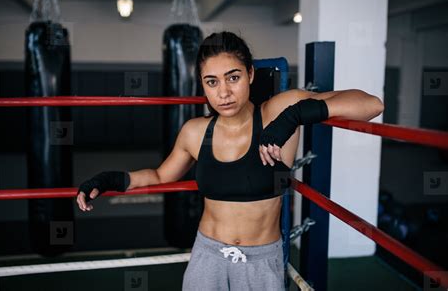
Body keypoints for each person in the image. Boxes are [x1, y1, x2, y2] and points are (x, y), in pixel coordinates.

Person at [76, 32, 384, 290]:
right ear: (202, 85)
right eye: (211, 82)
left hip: (262, 262)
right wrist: (107, 180)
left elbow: (371, 104)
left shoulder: (277, 111)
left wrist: (295, 115)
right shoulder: (195, 132)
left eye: (233, 77)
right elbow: (159, 176)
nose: (223, 92)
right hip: (207, 257)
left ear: (250, 74)